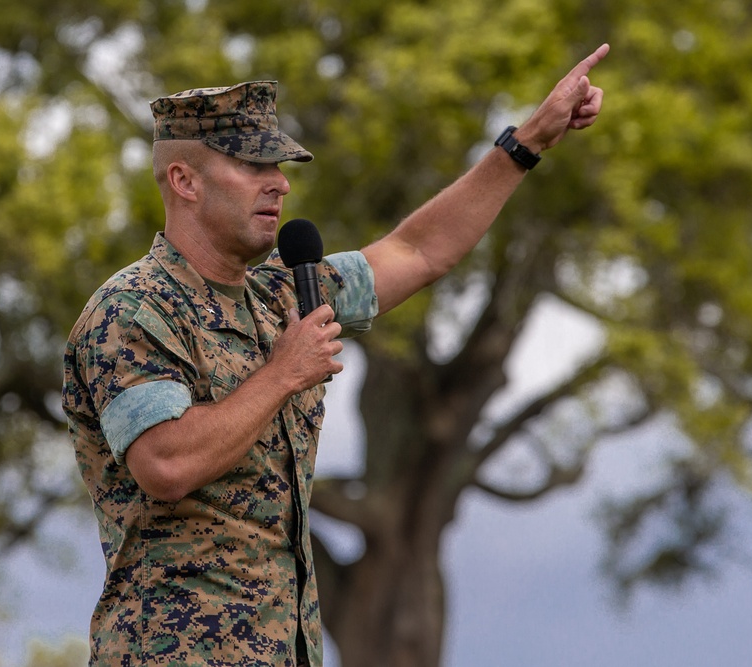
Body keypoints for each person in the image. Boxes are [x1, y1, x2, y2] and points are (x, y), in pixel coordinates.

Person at [62, 43, 609, 666]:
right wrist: (283, 374)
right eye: (252, 165)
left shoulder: (282, 292)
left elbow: (419, 252)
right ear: (184, 181)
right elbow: (164, 464)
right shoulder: (135, 310)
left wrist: (526, 143)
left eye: (282, 166)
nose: (280, 183)